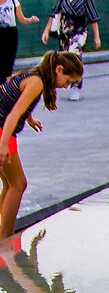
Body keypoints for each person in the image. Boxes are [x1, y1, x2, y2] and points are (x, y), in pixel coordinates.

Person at [0, 51, 83, 239]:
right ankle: (5, 236)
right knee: (18, 184)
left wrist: (28, 118)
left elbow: (17, 101)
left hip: (3, 128)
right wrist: (4, 144)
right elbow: (13, 114)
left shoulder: (33, 75)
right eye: (68, 81)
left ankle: (2, 232)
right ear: (59, 69)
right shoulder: (37, 82)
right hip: (2, 130)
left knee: (9, 183)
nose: (66, 86)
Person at [0, 228, 92, 293]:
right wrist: (34, 245)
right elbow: (33, 272)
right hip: (12, 261)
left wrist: (7, 256)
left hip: (6, 265)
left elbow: (22, 278)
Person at [42, 0, 100, 100]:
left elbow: (93, 18)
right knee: (64, 58)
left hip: (79, 32)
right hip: (64, 32)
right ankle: (64, 82)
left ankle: (76, 86)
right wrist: (46, 30)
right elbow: (54, 13)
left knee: (75, 57)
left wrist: (97, 36)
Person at [0, 0, 39, 80]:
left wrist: (30, 19)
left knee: (9, 58)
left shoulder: (13, 2)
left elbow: (21, 19)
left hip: (10, 32)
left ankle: (6, 83)